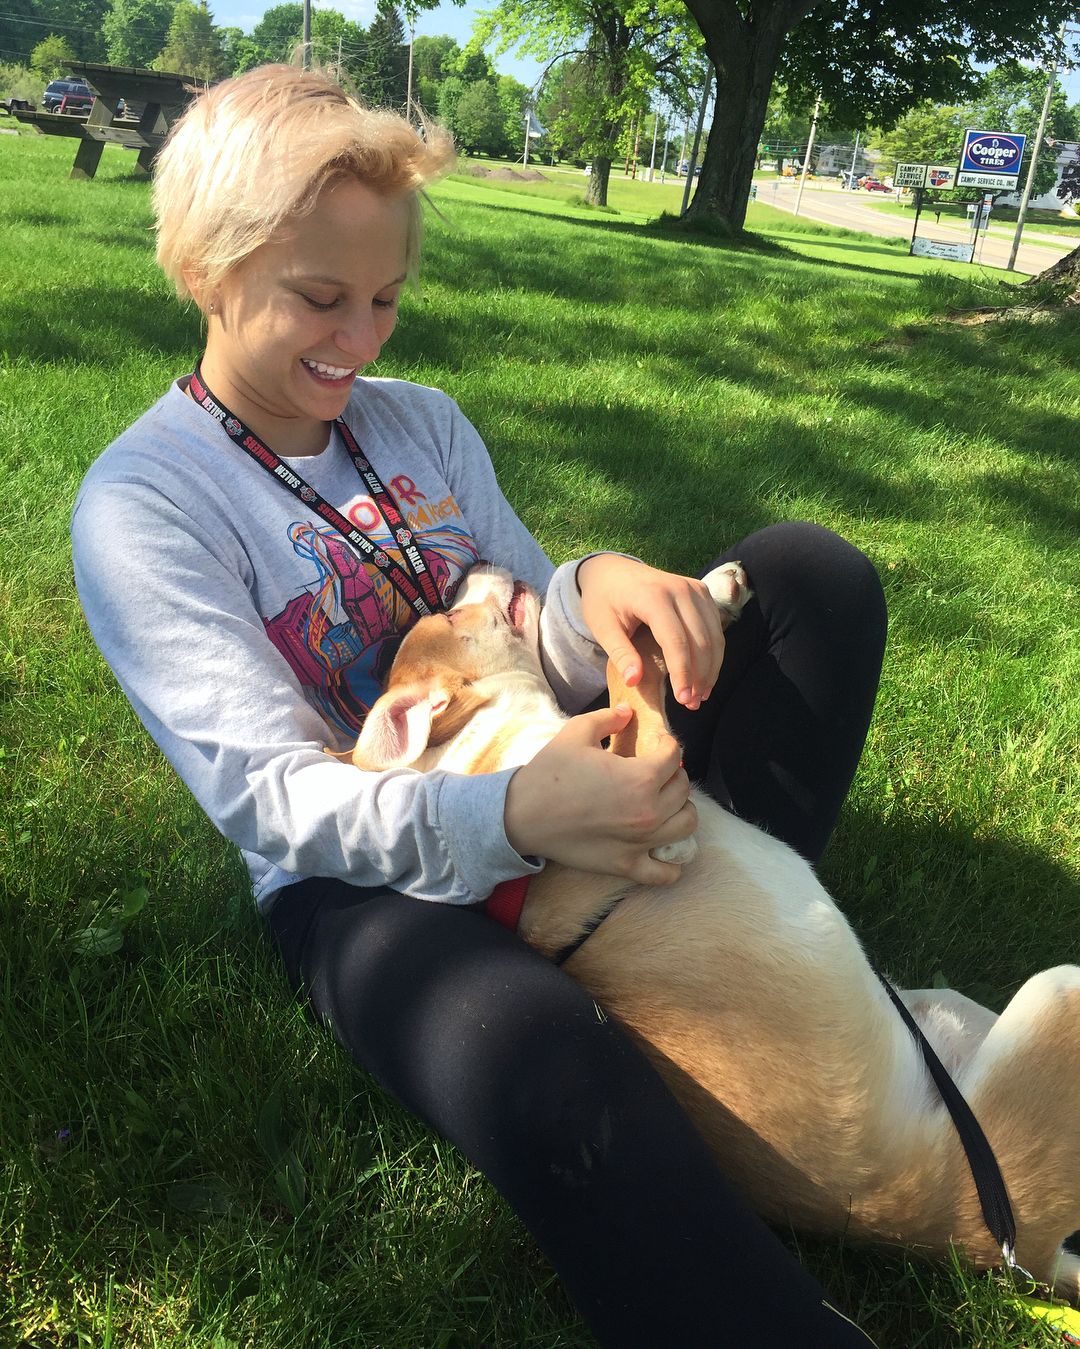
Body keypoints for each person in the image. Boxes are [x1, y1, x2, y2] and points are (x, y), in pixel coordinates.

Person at [71, 64, 886, 1348]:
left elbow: (507, 613)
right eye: (320, 298)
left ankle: (727, 925)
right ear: (206, 271)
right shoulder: (146, 505)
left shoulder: (422, 425)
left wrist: (593, 586)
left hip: (545, 762)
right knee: (545, 1065)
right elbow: (270, 795)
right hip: (366, 880)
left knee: (808, 581)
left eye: (387, 298)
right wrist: (514, 813)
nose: (362, 339)